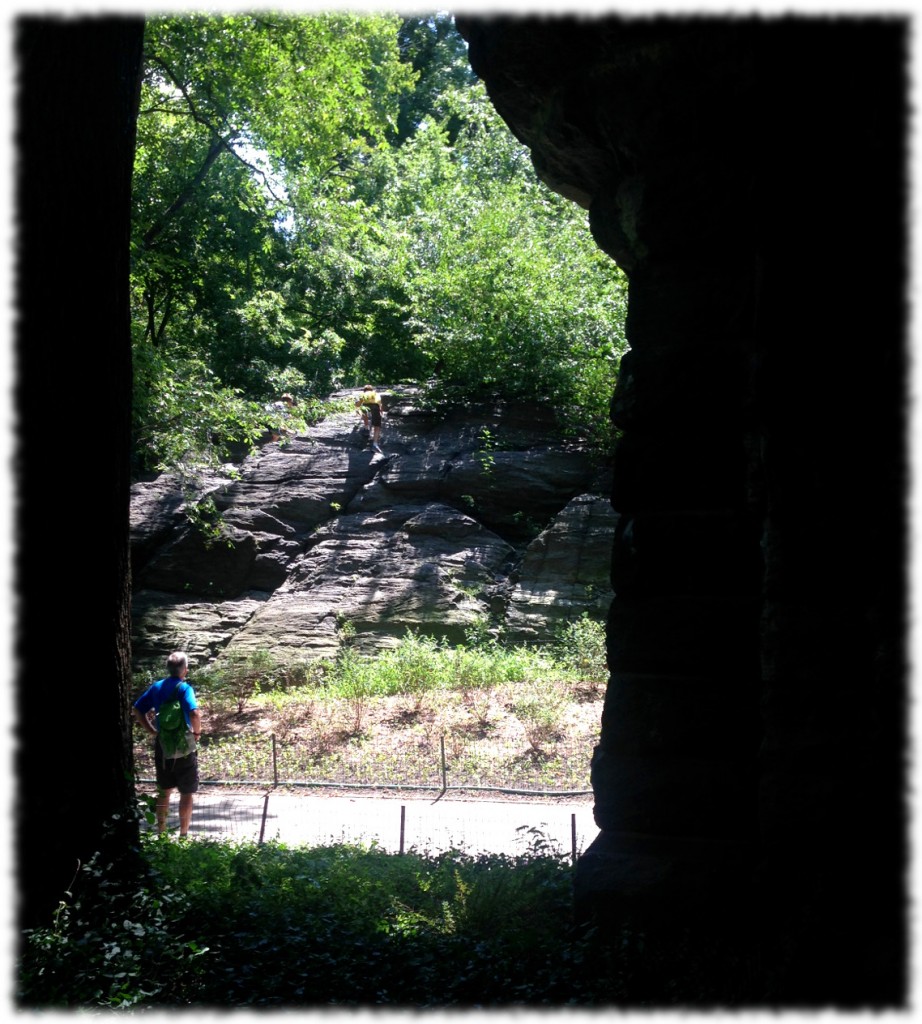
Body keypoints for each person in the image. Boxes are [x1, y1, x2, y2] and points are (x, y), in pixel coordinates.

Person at [132, 651, 203, 837]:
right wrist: (197, 732)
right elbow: (195, 713)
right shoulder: (185, 688)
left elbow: (138, 710)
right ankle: (183, 835)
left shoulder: (156, 687)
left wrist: (152, 731)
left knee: (164, 791)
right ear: (184, 670)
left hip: (163, 746)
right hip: (185, 748)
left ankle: (162, 833)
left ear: (168, 668)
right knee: (186, 792)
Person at [355, 384, 383, 452]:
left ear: (364, 390)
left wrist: (356, 405)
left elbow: (358, 404)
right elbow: (380, 404)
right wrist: (381, 411)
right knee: (377, 426)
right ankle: (375, 444)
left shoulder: (364, 394)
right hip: (375, 406)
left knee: (364, 410)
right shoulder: (375, 393)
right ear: (372, 389)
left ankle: (366, 428)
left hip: (366, 405)